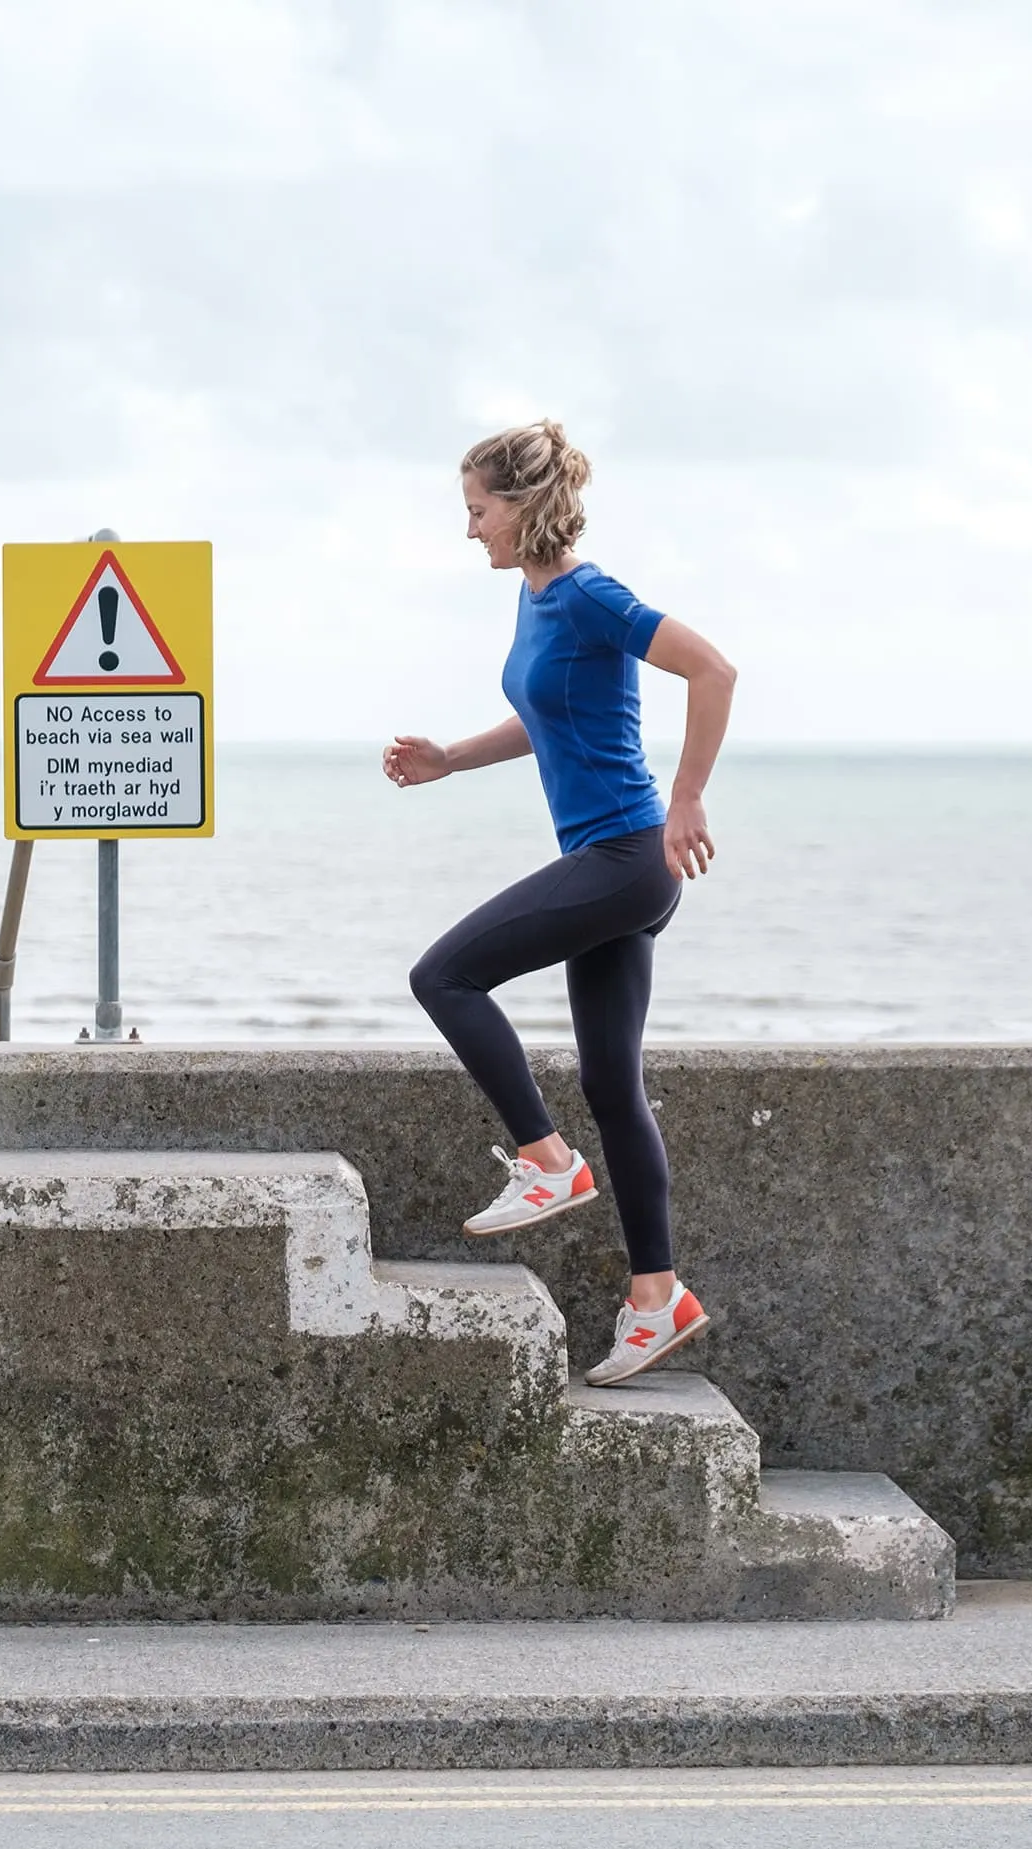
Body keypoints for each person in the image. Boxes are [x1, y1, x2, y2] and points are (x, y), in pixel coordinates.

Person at [383, 420, 736, 1387]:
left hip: (629, 856)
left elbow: (713, 670)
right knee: (612, 1082)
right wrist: (451, 758)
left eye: (477, 510)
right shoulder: (539, 603)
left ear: (522, 505)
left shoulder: (588, 593)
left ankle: (546, 1162)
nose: (469, 531)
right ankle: (658, 1298)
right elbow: (549, 720)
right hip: (613, 862)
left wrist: (688, 797)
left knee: (444, 974)